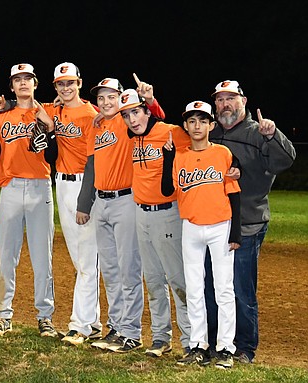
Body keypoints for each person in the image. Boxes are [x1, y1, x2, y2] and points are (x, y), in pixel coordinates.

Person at [206, 81, 296, 364]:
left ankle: (244, 347)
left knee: (241, 288)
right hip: (213, 222)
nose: (224, 105)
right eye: (220, 100)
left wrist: (273, 136)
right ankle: (215, 342)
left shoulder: (258, 133)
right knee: (211, 286)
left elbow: (285, 162)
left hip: (247, 222)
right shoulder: (212, 133)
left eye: (230, 98)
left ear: (243, 101)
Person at [78, 77, 165, 353]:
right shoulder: (97, 125)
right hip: (101, 202)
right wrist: (85, 202)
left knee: (129, 269)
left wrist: (149, 100)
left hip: (126, 200)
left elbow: (157, 120)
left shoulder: (126, 122)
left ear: (121, 99)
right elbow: (91, 166)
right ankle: (115, 326)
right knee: (111, 270)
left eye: (111, 97)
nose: (105, 103)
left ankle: (132, 332)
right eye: (101, 98)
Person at [161, 100, 241, 369]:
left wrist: (236, 231)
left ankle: (226, 348)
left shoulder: (222, 153)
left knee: (223, 288)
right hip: (191, 227)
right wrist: (168, 158)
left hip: (220, 227)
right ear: (185, 125)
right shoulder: (180, 156)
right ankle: (198, 345)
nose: (197, 126)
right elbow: (165, 190)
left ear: (211, 125)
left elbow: (235, 194)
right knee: (194, 289)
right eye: (192, 121)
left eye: (202, 121)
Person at [117, 86, 192, 357]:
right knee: (154, 279)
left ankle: (191, 340)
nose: (132, 120)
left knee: (177, 279)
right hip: (141, 213)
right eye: (126, 115)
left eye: (136, 112)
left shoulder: (169, 132)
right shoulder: (132, 138)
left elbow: (201, 137)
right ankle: (161, 337)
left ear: (146, 110)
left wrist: (152, 101)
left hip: (167, 213)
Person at [0, 63, 58, 338]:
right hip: (11, 188)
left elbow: (54, 155)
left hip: (41, 188)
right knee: (7, 255)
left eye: (28, 78)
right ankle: (3, 315)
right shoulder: (0, 114)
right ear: (12, 86)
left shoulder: (47, 112)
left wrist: (50, 131)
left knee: (43, 257)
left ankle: (45, 317)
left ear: (36, 83)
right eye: (18, 79)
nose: (23, 83)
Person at [41, 63, 102, 346]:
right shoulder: (56, 110)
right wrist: (6, 103)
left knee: (87, 260)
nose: (65, 88)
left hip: (82, 184)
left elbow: (92, 161)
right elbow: (31, 108)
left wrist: (85, 200)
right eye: (60, 84)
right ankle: (95, 321)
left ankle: (80, 326)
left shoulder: (90, 115)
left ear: (79, 83)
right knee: (80, 259)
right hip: (61, 184)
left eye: (70, 83)